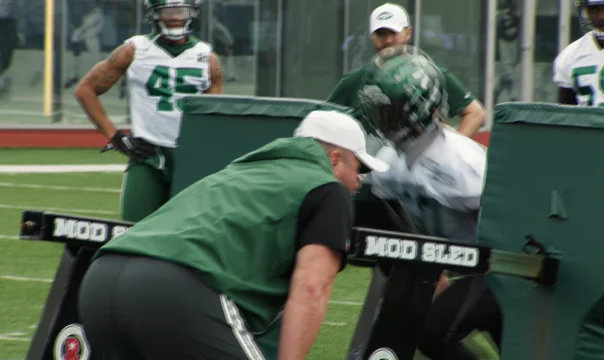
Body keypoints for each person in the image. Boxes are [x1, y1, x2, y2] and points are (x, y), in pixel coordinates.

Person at [76, 110, 389, 359]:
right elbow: (311, 289)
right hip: (172, 291)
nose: (358, 182)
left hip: (100, 281)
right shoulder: (328, 189)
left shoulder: (242, 170)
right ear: (334, 159)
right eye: (358, 169)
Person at [358, 49, 501, 359]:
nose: (385, 117)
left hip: (500, 271)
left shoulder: (462, 162)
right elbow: (394, 226)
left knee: (433, 332)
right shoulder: (390, 160)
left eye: (393, 109)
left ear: (419, 108)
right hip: (469, 268)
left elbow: (511, 218)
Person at [74, 0, 224, 222]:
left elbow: (215, 114)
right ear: (154, 15)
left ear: (191, 12)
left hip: (189, 155)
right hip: (148, 154)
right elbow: (86, 90)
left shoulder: (207, 57)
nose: (175, 17)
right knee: (133, 228)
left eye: (180, 11)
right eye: (168, 12)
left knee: (189, 230)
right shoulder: (135, 50)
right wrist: (115, 137)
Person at [327, 2, 485, 139]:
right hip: (371, 170)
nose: (388, 40)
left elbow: (475, 114)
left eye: (393, 33)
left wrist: (454, 154)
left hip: (418, 168)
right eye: (381, 34)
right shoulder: (354, 81)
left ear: (408, 33)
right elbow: (323, 122)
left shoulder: (430, 74)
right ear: (372, 37)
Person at [553, 0, 604, 106]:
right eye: (594, 9)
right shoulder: (570, 55)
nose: (601, 16)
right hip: (587, 122)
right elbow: (566, 113)